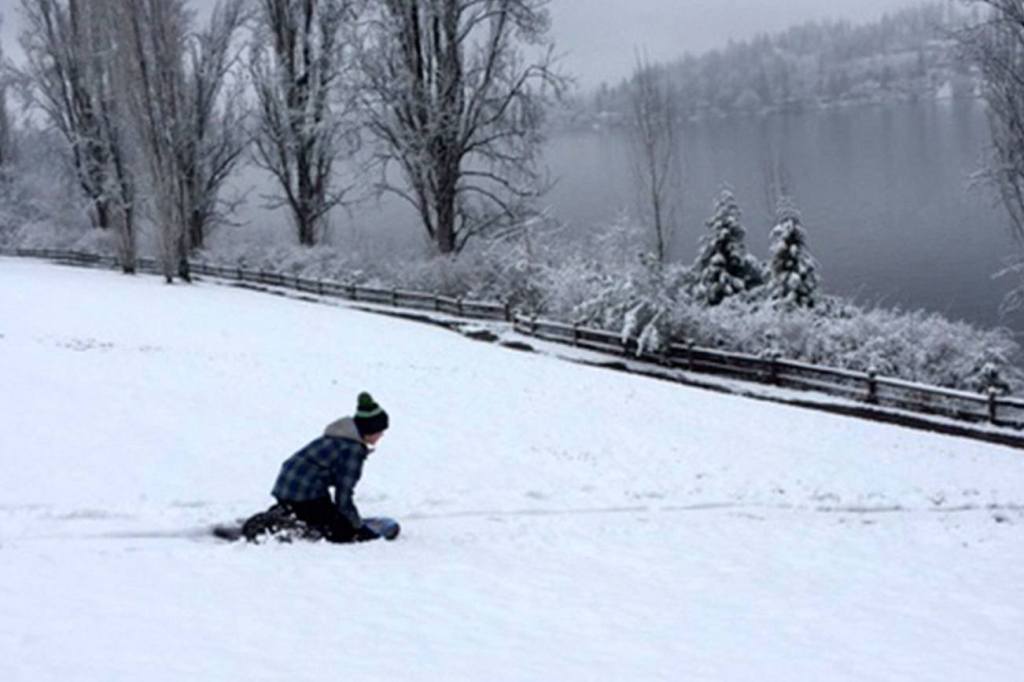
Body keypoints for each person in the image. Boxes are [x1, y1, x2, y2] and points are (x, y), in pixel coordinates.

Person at [242, 392, 389, 543]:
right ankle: (280, 524)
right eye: (380, 431)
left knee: (322, 513)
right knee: (341, 533)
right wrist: (358, 529)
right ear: (369, 430)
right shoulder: (352, 450)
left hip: (286, 486)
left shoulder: (338, 438)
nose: (382, 435)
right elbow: (343, 495)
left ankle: (288, 512)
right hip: (305, 493)